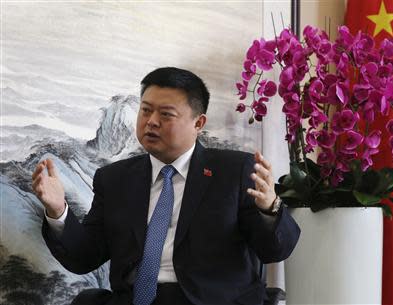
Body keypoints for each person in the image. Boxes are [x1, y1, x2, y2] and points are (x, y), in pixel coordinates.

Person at [32, 67, 300, 305]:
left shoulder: (235, 172)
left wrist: (270, 209)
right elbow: (84, 257)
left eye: (166, 114)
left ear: (198, 122)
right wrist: (58, 211)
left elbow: (276, 250)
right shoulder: (115, 179)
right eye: (146, 110)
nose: (151, 121)